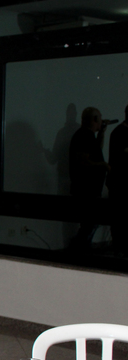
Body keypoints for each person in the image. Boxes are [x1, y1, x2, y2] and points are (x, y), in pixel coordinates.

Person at [69, 106, 110, 249]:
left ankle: (80, 248)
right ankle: (79, 249)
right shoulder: (84, 136)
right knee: (89, 223)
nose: (102, 120)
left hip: (89, 190)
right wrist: (103, 165)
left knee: (89, 224)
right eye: (100, 117)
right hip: (87, 191)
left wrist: (102, 132)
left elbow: (96, 150)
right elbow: (83, 161)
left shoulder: (88, 136)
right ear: (95, 119)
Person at [109, 105, 128, 252]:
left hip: (118, 183)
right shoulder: (120, 133)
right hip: (121, 184)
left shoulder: (117, 132)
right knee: (120, 220)